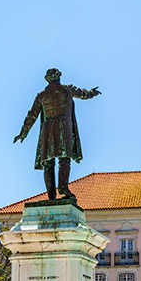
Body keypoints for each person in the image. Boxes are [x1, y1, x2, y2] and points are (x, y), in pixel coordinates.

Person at [14, 68, 101, 200]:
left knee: (48, 163)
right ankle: (63, 187)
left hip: (48, 130)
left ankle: (51, 195)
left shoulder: (42, 95)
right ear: (59, 76)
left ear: (47, 79)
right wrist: (92, 92)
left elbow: (32, 115)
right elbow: (83, 94)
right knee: (64, 159)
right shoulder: (68, 89)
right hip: (64, 128)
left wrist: (23, 133)